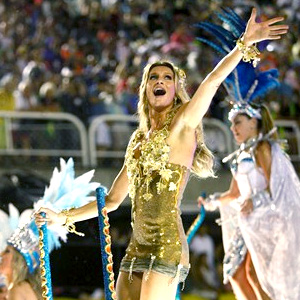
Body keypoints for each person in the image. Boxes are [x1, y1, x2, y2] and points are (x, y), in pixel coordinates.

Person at [35, 8, 288, 300]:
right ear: (145, 89)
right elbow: (113, 201)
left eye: (167, 77)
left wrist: (241, 46)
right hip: (136, 247)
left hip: (166, 245)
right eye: (154, 77)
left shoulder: (182, 123)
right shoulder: (137, 140)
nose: (160, 81)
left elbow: (212, 82)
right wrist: (61, 218)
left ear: (175, 88)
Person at [0, 158, 99, 300]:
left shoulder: (17, 291)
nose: (1, 254)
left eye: (8, 251)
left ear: (19, 261)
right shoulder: (19, 289)